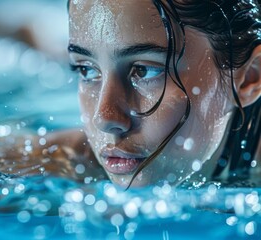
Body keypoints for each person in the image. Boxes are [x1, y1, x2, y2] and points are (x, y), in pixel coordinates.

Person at [63, 0, 261, 189]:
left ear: (249, 78)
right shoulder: (65, 160)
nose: (104, 119)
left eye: (144, 71)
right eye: (86, 70)